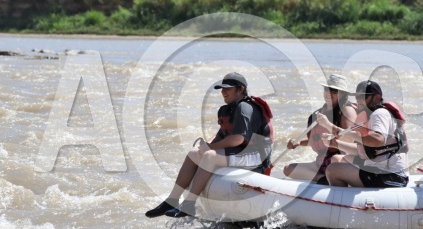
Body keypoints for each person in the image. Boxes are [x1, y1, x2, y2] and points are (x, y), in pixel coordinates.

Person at [145, 72, 273, 218]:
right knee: (194, 153)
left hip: (257, 157)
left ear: (241, 89)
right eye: (222, 88)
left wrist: (210, 148)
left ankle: (189, 205)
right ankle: (171, 201)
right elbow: (221, 136)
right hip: (240, 152)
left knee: (210, 156)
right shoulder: (229, 108)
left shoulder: (245, 107)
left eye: (228, 88)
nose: (223, 92)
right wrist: (206, 145)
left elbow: (238, 139)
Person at [320, 80, 409, 188]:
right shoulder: (370, 116)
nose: (359, 100)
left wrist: (339, 130)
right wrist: (335, 144)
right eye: (357, 97)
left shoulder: (379, 114)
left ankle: (340, 197)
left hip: (391, 176)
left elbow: (378, 140)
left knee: (333, 169)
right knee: (337, 159)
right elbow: (361, 151)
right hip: (378, 169)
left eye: (363, 97)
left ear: (376, 98)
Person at [283, 74, 357, 183]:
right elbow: (318, 140)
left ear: (342, 94)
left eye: (334, 91)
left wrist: (327, 124)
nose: (329, 93)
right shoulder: (320, 112)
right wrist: (299, 143)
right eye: (327, 89)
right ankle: (321, 178)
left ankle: (328, 178)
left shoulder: (347, 110)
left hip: (341, 161)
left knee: (335, 160)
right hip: (322, 162)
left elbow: (349, 139)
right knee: (288, 169)